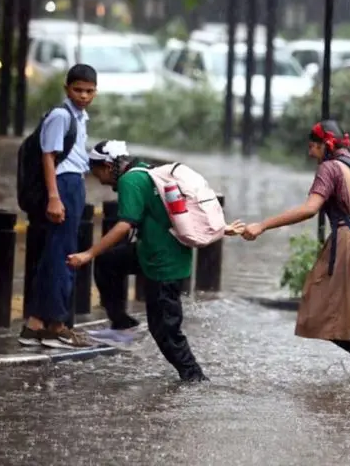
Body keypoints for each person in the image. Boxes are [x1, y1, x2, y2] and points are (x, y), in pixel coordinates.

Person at [241, 120, 350, 379]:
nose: (310, 154)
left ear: (325, 145)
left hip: (348, 245)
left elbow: (310, 208)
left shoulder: (329, 168)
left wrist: (262, 225)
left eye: (313, 147)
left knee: (318, 310)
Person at [66, 140, 244, 382]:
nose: (97, 179)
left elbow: (124, 225)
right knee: (109, 263)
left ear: (108, 166)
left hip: (163, 265)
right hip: (153, 254)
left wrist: (88, 253)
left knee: (165, 332)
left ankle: (196, 381)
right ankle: (123, 326)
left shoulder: (130, 181)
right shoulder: (145, 171)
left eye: (96, 172)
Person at [18, 64, 98, 349]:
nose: (83, 95)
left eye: (89, 91)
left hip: (73, 184)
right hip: (63, 185)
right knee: (61, 255)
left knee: (57, 253)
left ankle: (37, 325)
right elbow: (48, 157)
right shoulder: (61, 116)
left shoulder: (80, 118)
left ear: (96, 92)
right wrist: (54, 196)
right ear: (67, 89)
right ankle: (56, 326)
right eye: (78, 90)